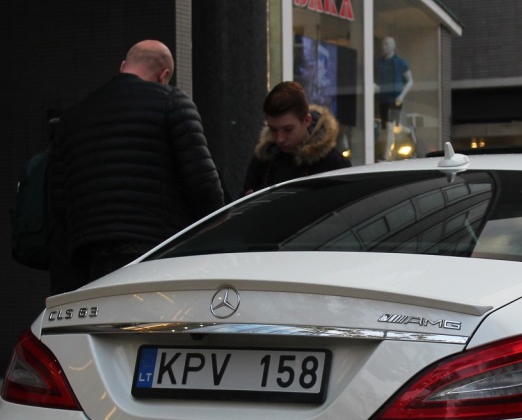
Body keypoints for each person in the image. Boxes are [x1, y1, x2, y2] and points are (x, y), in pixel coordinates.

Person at [47, 40, 225, 292]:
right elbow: (203, 186)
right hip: (155, 252)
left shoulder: (72, 117)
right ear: (164, 76)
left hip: (93, 258)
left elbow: (58, 202)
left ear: (123, 66)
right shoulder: (173, 103)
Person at [241, 81, 351, 194]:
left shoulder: (333, 163)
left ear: (307, 120)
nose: (280, 139)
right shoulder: (263, 160)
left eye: (288, 130)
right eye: (273, 130)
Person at [375, 36, 412, 159]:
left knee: (390, 126)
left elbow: (410, 81)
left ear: (393, 46)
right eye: (383, 44)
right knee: (384, 127)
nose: (384, 47)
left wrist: (401, 96)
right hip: (382, 99)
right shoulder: (379, 63)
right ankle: (405, 133)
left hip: (395, 99)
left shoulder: (400, 63)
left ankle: (387, 155)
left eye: (387, 44)